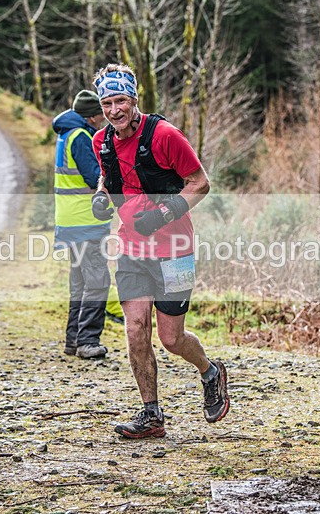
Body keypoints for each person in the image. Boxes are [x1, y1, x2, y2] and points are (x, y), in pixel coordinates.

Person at [90, 63, 230, 438]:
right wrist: (102, 198)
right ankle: (151, 415)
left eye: (120, 100)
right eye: (107, 103)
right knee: (136, 330)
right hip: (131, 248)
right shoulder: (100, 141)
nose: (114, 110)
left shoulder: (166, 135)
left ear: (134, 99)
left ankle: (210, 371)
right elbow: (109, 178)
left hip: (174, 248)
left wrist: (165, 212)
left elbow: (200, 183)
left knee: (171, 339)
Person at [53, 89, 110, 359]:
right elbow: (94, 177)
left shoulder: (66, 135)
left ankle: (73, 340)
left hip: (69, 220)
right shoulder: (82, 138)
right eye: (100, 113)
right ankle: (88, 341)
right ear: (91, 116)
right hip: (85, 220)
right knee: (97, 280)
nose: (103, 118)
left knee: (79, 282)